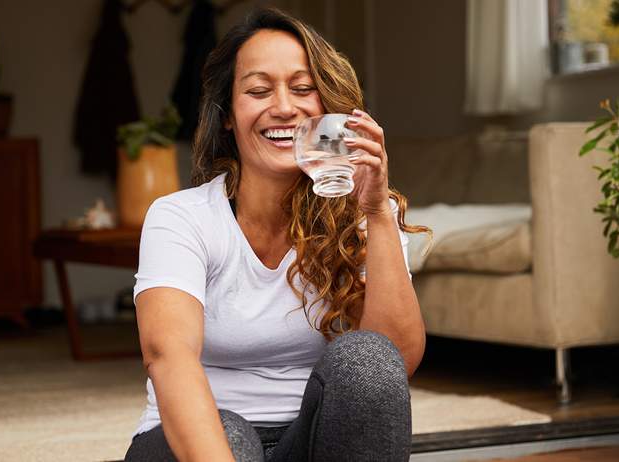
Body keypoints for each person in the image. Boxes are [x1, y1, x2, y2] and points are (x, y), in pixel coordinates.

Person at [124, 7, 428, 462]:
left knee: (368, 357)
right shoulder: (181, 217)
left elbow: (395, 360)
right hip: (195, 446)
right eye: (259, 90)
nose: (284, 107)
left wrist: (376, 215)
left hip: (308, 443)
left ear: (327, 107)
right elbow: (169, 357)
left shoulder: (366, 212)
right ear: (227, 115)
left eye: (303, 89)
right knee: (230, 437)